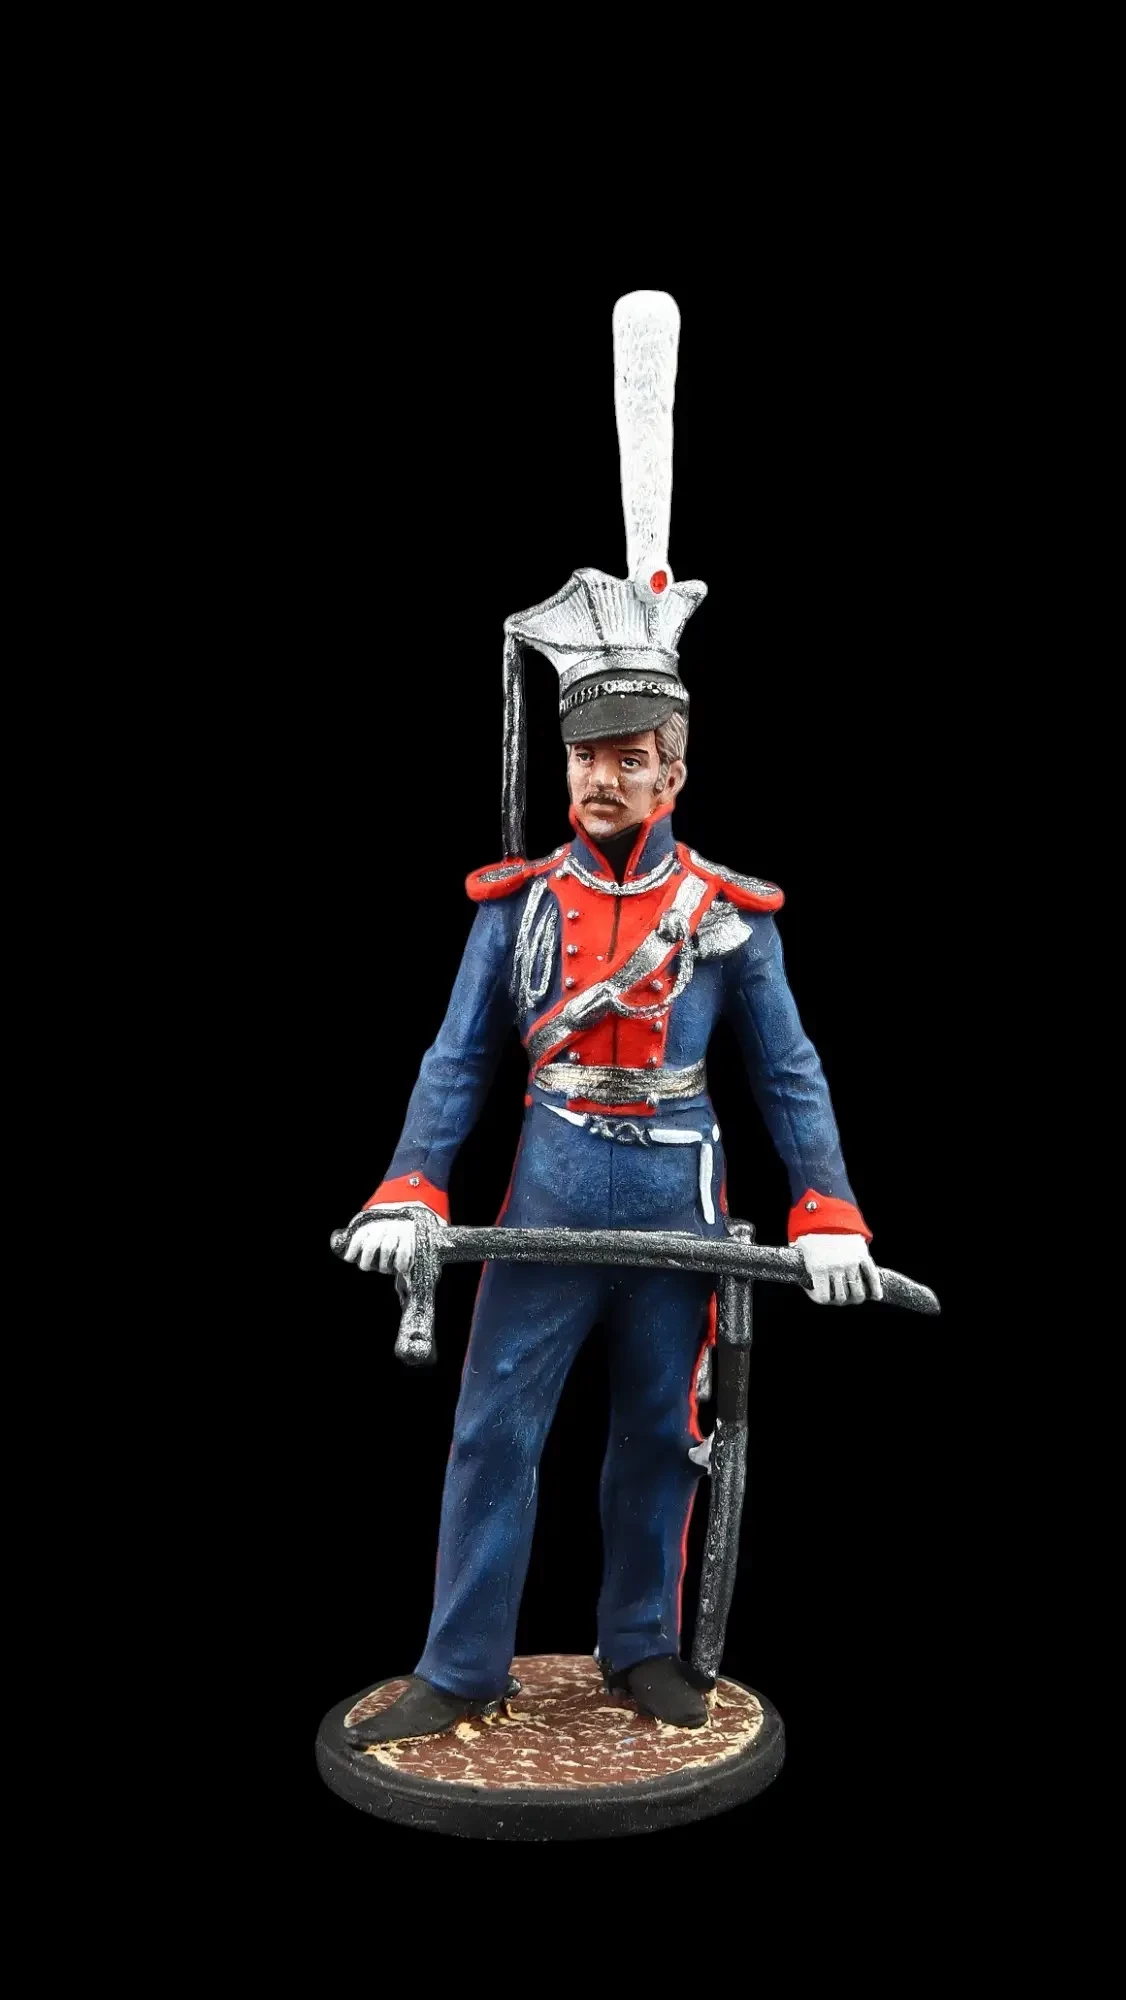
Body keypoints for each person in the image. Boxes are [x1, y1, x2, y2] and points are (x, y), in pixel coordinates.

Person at [335, 294, 881, 1746]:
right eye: (587, 757)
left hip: (679, 1200)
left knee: (658, 1432)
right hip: (552, 1184)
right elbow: (458, 1062)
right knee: (491, 1430)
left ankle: (641, 1643)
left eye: (630, 759)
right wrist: (409, 1186)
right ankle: (463, 1664)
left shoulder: (727, 915)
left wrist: (827, 1209)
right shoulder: (511, 909)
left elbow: (789, 1074)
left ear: (673, 771)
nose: (600, 781)